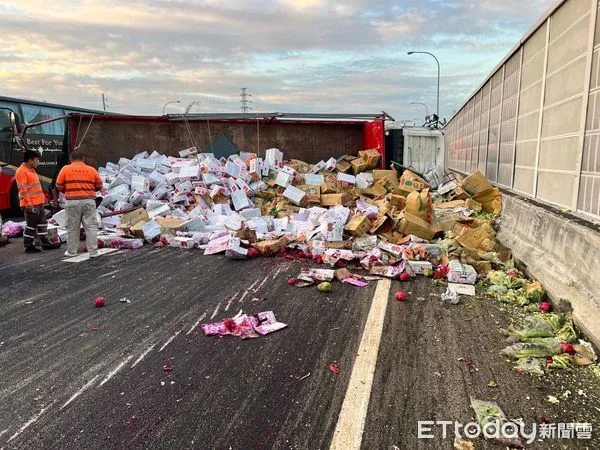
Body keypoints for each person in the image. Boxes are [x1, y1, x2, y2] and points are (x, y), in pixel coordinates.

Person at [56, 150, 103, 257]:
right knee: (91, 227)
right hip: (89, 201)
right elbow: (99, 186)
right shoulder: (91, 170)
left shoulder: (65, 169)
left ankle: (71, 252)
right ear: (84, 159)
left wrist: (68, 191)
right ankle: (93, 252)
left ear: (70, 159)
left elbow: (59, 185)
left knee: (72, 227)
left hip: (72, 202)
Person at [15, 150, 61, 253]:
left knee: (42, 224)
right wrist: (28, 204)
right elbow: (23, 190)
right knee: (31, 226)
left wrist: (43, 198)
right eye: (36, 160)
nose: (38, 162)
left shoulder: (31, 170)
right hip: (31, 204)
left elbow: (35, 187)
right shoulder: (21, 171)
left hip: (38, 203)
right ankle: (28, 246)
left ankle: (45, 243)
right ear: (30, 160)